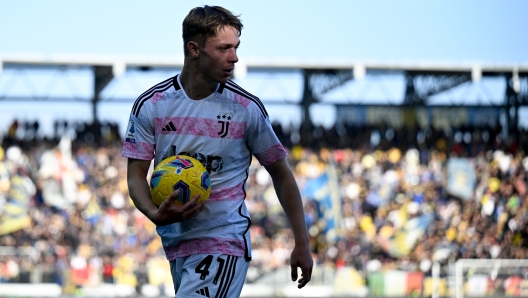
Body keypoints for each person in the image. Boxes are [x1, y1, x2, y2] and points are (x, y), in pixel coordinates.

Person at [122, 5, 313, 298]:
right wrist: (152, 212)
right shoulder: (152, 104)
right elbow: (135, 174)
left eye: (236, 48)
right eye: (224, 48)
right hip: (176, 242)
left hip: (223, 240)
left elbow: (281, 174)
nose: (234, 57)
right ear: (194, 49)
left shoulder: (246, 108)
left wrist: (302, 242)